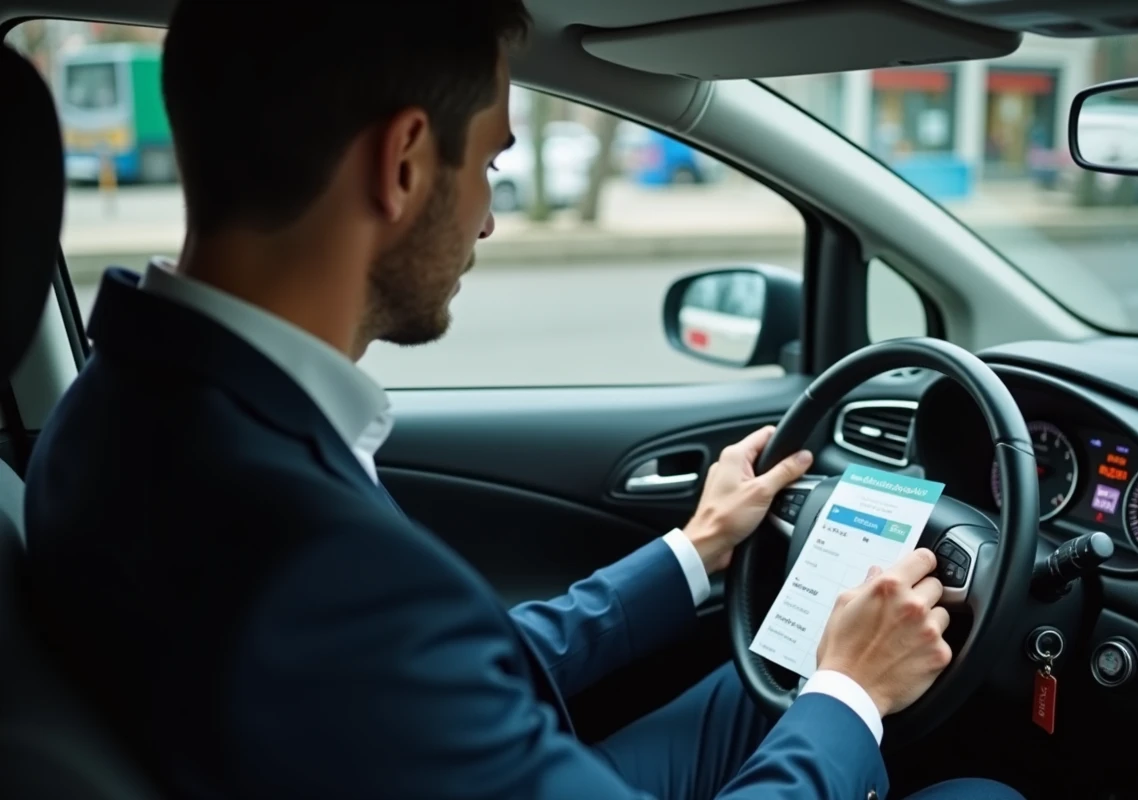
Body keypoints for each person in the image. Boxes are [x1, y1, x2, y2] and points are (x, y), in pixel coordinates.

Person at [23, 2, 1025, 799]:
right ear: (405, 162)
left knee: (753, 694)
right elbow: (400, 649)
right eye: (492, 161)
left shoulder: (119, 409)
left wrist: (695, 548)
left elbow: (432, 679)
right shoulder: (312, 556)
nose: (493, 217)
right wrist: (852, 688)